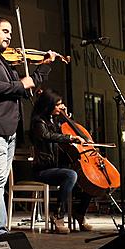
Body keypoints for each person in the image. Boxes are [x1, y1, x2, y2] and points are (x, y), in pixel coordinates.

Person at [0, 16, 57, 237]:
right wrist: (22, 83)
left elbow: (22, 89)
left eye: (11, 32)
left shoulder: (1, 59)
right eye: (5, 31)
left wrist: (42, 69)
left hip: (8, 128)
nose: (9, 36)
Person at [30, 88, 94, 233]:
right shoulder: (38, 122)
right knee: (71, 175)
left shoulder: (54, 121)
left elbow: (65, 130)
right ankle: (58, 215)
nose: (60, 107)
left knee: (91, 178)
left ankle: (79, 213)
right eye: (57, 104)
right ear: (48, 105)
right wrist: (70, 138)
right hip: (43, 170)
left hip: (57, 167)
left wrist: (65, 116)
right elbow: (48, 135)